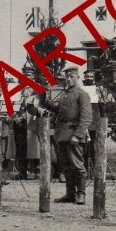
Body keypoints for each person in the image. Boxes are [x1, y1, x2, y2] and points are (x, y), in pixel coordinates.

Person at [47, 66, 93, 204]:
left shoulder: (82, 94)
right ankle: (70, 194)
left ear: (78, 78)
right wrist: (46, 101)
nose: (68, 79)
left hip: (74, 134)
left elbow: (86, 118)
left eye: (72, 76)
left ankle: (81, 194)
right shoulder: (64, 94)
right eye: (67, 76)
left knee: (78, 165)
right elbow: (60, 111)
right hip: (62, 134)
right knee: (66, 165)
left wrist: (78, 135)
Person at [11, 65, 41, 180]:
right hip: (18, 121)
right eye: (24, 75)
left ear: (33, 76)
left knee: (32, 146)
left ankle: (32, 170)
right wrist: (15, 117)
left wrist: (22, 117)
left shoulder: (36, 88)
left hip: (30, 121)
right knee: (20, 146)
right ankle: (21, 171)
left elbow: (35, 106)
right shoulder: (17, 88)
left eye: (28, 75)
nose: (26, 77)